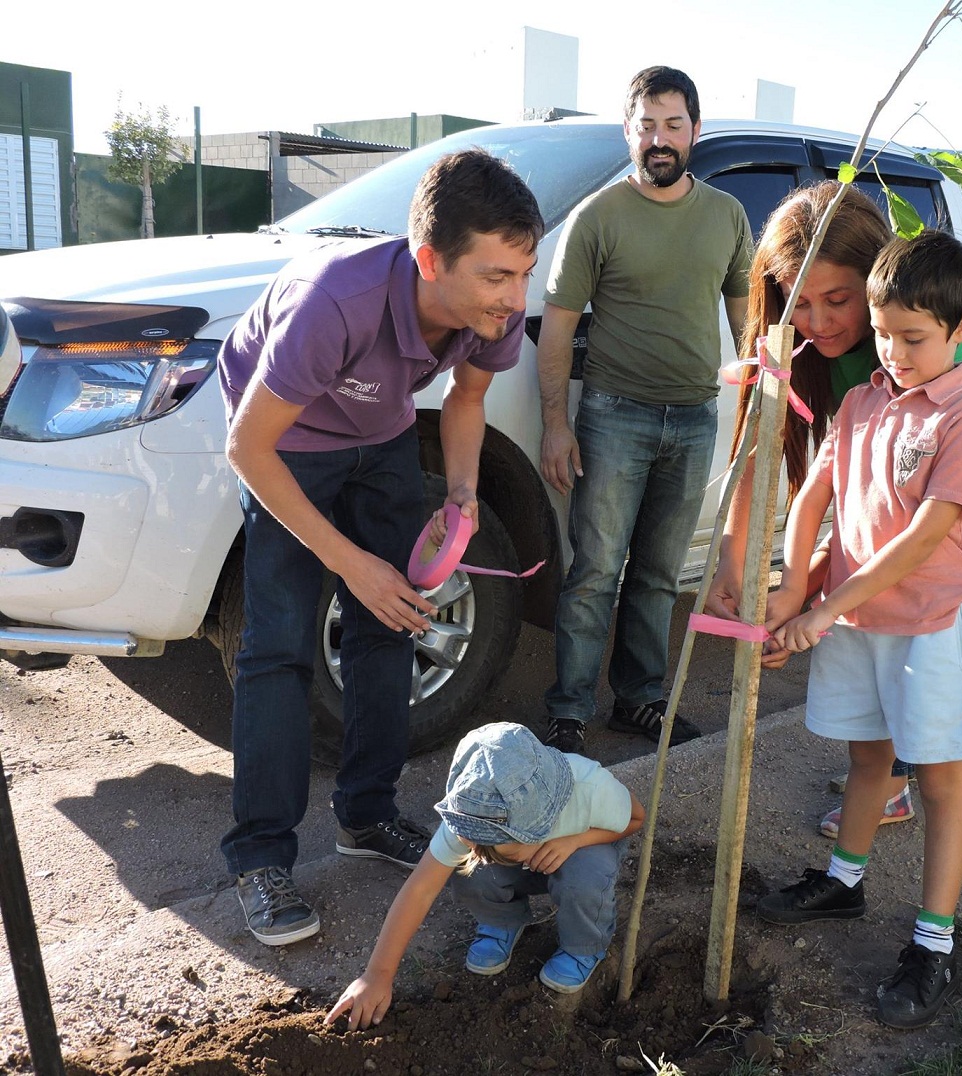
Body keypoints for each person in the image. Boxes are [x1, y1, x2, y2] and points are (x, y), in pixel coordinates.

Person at [218, 150, 544, 946]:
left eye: (525, 271)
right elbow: (246, 449)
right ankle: (260, 858)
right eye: (498, 276)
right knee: (279, 648)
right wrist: (349, 562)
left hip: (385, 432)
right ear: (431, 261)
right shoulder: (337, 300)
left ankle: (365, 816)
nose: (516, 297)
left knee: (395, 621)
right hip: (285, 442)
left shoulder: (491, 315)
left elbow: (467, 397)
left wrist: (461, 499)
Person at [707, 181, 962, 862]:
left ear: (877, 277)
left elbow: (918, 531)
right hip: (936, 438)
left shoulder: (930, 341)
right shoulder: (870, 342)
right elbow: (773, 446)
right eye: (802, 300)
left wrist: (817, 592)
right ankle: (891, 775)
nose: (819, 322)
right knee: (883, 598)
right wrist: (746, 570)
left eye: (837, 300)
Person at [757, 231, 962, 1030]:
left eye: (915, 338)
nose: (896, 353)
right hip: (857, 619)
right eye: (885, 333)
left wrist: (823, 609)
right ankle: (844, 881)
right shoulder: (861, 401)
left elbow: (923, 540)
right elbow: (812, 497)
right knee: (868, 761)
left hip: (924, 627)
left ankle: (932, 943)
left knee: (937, 781)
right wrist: (793, 583)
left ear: (959, 329)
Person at [536, 65, 753, 757]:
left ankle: (640, 701)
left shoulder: (726, 216)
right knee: (596, 570)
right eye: (647, 125)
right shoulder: (596, 218)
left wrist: (753, 405)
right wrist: (555, 424)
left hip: (693, 419)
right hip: (613, 417)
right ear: (629, 130)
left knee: (661, 574)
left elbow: (748, 321)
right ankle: (569, 710)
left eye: (673, 125)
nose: (660, 139)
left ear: (695, 130)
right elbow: (558, 325)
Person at [325, 722, 645, 1029]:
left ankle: (583, 947)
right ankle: (502, 920)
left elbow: (635, 818)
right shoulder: (469, 823)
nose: (478, 848)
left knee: (586, 877)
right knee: (468, 868)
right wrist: (377, 975)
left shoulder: (588, 786)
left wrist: (573, 841)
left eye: (513, 850)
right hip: (538, 858)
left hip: (582, 849)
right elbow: (419, 890)